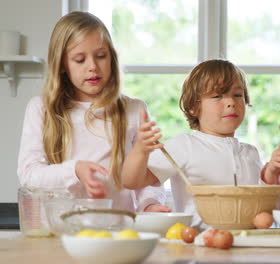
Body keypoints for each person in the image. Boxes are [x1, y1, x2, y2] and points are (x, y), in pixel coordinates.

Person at [17, 11, 170, 213]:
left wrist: (149, 204)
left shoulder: (134, 110)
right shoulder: (41, 109)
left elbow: (147, 175)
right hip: (60, 232)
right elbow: (29, 175)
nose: (93, 67)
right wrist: (75, 170)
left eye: (101, 56)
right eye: (80, 60)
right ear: (62, 64)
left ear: (111, 57)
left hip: (118, 229)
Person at [122, 59, 266, 228]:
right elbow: (131, 181)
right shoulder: (184, 145)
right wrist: (140, 150)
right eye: (217, 96)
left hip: (247, 244)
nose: (231, 102)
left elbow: (268, 204)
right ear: (193, 107)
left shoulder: (251, 153)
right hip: (197, 245)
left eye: (237, 95)